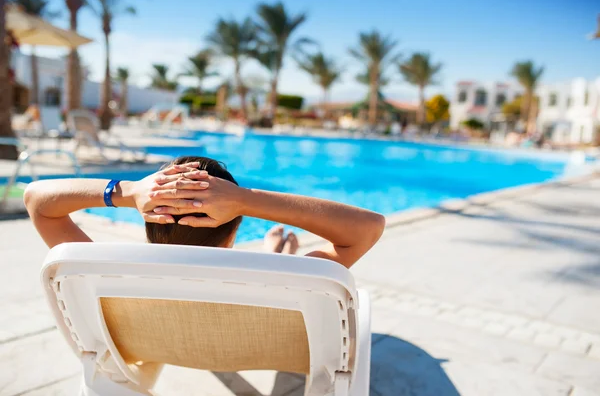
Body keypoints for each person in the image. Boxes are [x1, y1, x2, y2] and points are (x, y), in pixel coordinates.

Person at [24, 156, 385, 268]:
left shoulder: (109, 274)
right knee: (277, 258)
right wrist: (245, 198)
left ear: (150, 218)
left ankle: (274, 250)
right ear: (233, 231)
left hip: (153, 342)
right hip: (253, 345)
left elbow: (37, 200)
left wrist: (129, 191)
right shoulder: (285, 284)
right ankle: (275, 251)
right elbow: (369, 227)